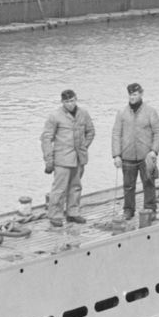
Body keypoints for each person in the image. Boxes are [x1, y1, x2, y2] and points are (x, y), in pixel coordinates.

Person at [40, 89, 95, 227]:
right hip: (62, 159)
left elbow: (90, 131)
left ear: (76, 99)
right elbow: (46, 139)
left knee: (76, 187)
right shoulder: (55, 116)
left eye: (72, 101)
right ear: (62, 102)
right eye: (66, 102)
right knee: (59, 189)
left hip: (79, 158)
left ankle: (73, 213)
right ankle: (55, 215)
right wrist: (49, 159)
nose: (70, 104)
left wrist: (84, 147)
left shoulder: (83, 113)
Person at [111, 82, 159, 221]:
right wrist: (116, 155)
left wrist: (154, 151)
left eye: (135, 94)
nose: (132, 97)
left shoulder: (150, 112)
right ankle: (128, 210)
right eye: (130, 95)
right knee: (128, 186)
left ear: (141, 93)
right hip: (127, 155)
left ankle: (150, 208)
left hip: (146, 155)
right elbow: (116, 134)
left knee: (149, 183)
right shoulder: (121, 113)